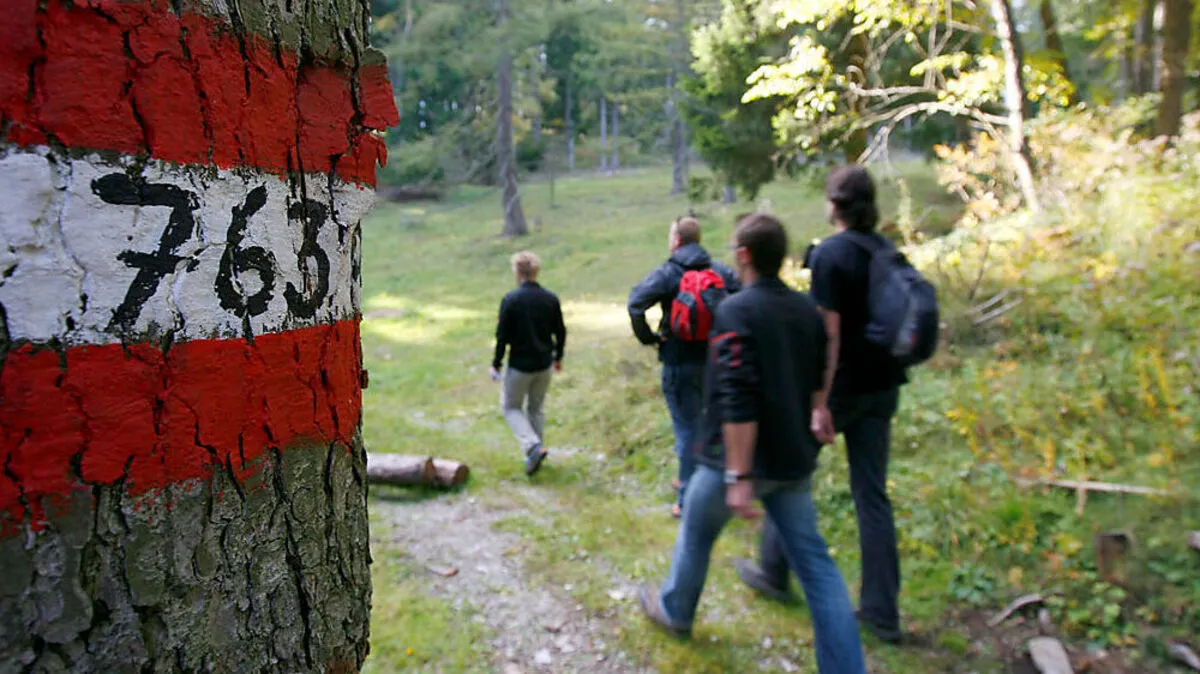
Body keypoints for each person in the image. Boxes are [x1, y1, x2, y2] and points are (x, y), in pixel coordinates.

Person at [637, 213, 866, 674]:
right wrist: (818, 410)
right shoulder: (807, 310)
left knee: (696, 532)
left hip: (733, 460)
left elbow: (737, 396)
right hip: (792, 459)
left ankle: (676, 611)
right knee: (817, 566)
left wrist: (739, 474)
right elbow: (821, 370)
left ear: (744, 255)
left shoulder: (736, 311)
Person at [735, 165, 909, 644]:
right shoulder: (886, 250)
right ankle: (882, 612)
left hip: (843, 387)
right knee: (872, 495)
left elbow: (828, 333)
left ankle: (774, 570)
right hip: (883, 387)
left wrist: (821, 400)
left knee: (791, 469)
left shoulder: (832, 254)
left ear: (834, 204)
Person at [628, 217, 740, 517]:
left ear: (677, 240)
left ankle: (688, 499)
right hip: (717, 362)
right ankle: (719, 486)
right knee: (714, 425)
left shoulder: (668, 273)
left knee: (688, 429)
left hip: (679, 362)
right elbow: (743, 298)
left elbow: (635, 303)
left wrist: (651, 338)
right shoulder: (720, 272)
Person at [491, 251, 567, 476]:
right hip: (544, 364)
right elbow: (560, 331)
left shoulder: (511, 300)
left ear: (517, 272)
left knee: (511, 407)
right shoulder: (550, 298)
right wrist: (558, 357)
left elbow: (502, 336)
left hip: (520, 366)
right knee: (536, 409)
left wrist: (496, 363)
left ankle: (532, 446)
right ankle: (536, 455)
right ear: (536, 271)